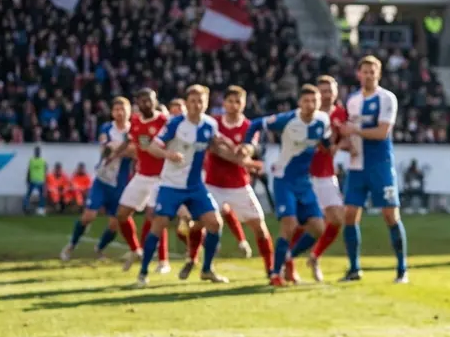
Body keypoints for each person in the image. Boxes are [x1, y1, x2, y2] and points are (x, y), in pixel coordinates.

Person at [132, 85, 228, 288]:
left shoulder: (210, 124)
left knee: (215, 223)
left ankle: (207, 269)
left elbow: (214, 144)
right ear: (187, 103)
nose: (196, 105)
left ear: (207, 103)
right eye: (192, 101)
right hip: (171, 185)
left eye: (200, 101)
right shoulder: (175, 123)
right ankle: (143, 273)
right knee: (158, 226)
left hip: (195, 186)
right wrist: (168, 155)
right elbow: (152, 147)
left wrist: (231, 149)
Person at [244, 84, 332, 287]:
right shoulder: (287, 120)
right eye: (306, 101)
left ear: (319, 103)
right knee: (289, 225)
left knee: (318, 228)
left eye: (314, 101)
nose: (310, 105)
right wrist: (247, 145)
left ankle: (288, 256)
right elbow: (255, 124)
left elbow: (326, 142)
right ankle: (275, 273)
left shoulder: (323, 120)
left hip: (304, 181)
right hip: (284, 179)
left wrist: (331, 148)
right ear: (300, 103)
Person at [188, 85, 278, 278]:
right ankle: (197, 262)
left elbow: (249, 148)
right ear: (224, 103)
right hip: (213, 185)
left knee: (260, 227)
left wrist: (245, 154)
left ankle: (271, 270)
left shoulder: (248, 126)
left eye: (238, 101)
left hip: (239, 185)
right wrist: (244, 161)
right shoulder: (214, 123)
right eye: (230, 101)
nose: (234, 105)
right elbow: (215, 150)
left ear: (244, 104)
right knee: (198, 224)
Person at [341, 55, 409, 284]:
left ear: (378, 74)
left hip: (380, 165)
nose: (368, 75)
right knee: (350, 215)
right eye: (365, 71)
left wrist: (355, 132)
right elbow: (348, 133)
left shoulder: (387, 98)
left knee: (390, 215)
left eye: (373, 72)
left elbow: (382, 133)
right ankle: (354, 268)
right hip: (356, 166)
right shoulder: (352, 100)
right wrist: (346, 144)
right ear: (358, 74)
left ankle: (402, 269)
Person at [62, 97, 132, 261]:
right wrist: (124, 149)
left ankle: (99, 249)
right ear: (112, 112)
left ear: (129, 111)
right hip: (102, 180)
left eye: (123, 109)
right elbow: (105, 150)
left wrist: (117, 150)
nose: (120, 113)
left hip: (120, 184)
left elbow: (135, 153)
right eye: (116, 110)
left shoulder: (133, 130)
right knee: (89, 216)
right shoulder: (107, 128)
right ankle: (71, 245)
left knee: (115, 224)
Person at [297, 74, 349, 283]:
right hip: (306, 174)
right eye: (323, 91)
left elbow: (346, 138)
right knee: (304, 224)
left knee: (337, 219)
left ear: (336, 92)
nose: (327, 94)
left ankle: (314, 256)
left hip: (327, 174)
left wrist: (339, 146)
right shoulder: (308, 114)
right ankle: (286, 261)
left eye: (330, 90)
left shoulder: (341, 113)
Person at [113, 88, 170, 274]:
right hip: (141, 175)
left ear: (155, 101)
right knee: (121, 214)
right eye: (143, 101)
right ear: (137, 102)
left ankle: (163, 261)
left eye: (150, 100)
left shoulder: (164, 121)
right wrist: (116, 153)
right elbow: (132, 141)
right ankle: (136, 249)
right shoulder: (136, 121)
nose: (147, 104)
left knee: (155, 218)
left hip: (160, 178)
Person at [24, 146, 47, 214]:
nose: (37, 152)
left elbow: (45, 170)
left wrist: (45, 179)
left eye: (38, 151)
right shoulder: (32, 160)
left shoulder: (42, 161)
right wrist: (27, 179)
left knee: (41, 195)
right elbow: (29, 170)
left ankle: (40, 209)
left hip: (40, 180)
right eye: (36, 151)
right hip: (33, 180)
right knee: (29, 194)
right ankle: (26, 207)